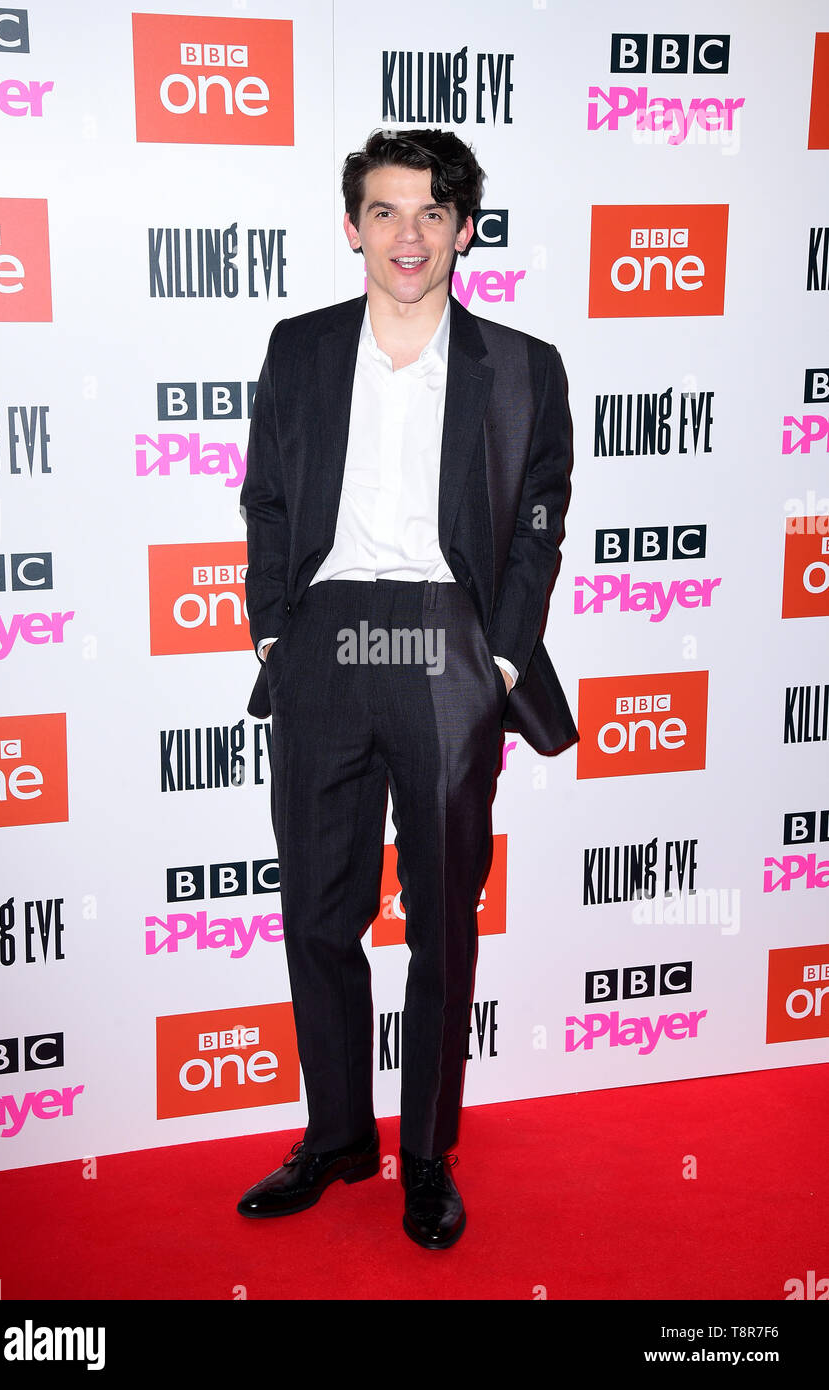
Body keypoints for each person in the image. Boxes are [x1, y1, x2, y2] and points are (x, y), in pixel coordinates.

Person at [237, 129, 577, 1249]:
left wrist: (505, 658)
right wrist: (277, 637)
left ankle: (425, 1153)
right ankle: (337, 1133)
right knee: (319, 913)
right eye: (384, 211)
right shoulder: (297, 349)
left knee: (440, 918)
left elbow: (537, 523)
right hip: (325, 640)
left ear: (463, 230)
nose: (408, 235)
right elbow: (270, 505)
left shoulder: (522, 367)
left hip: (447, 645)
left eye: (432, 212)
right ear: (351, 227)